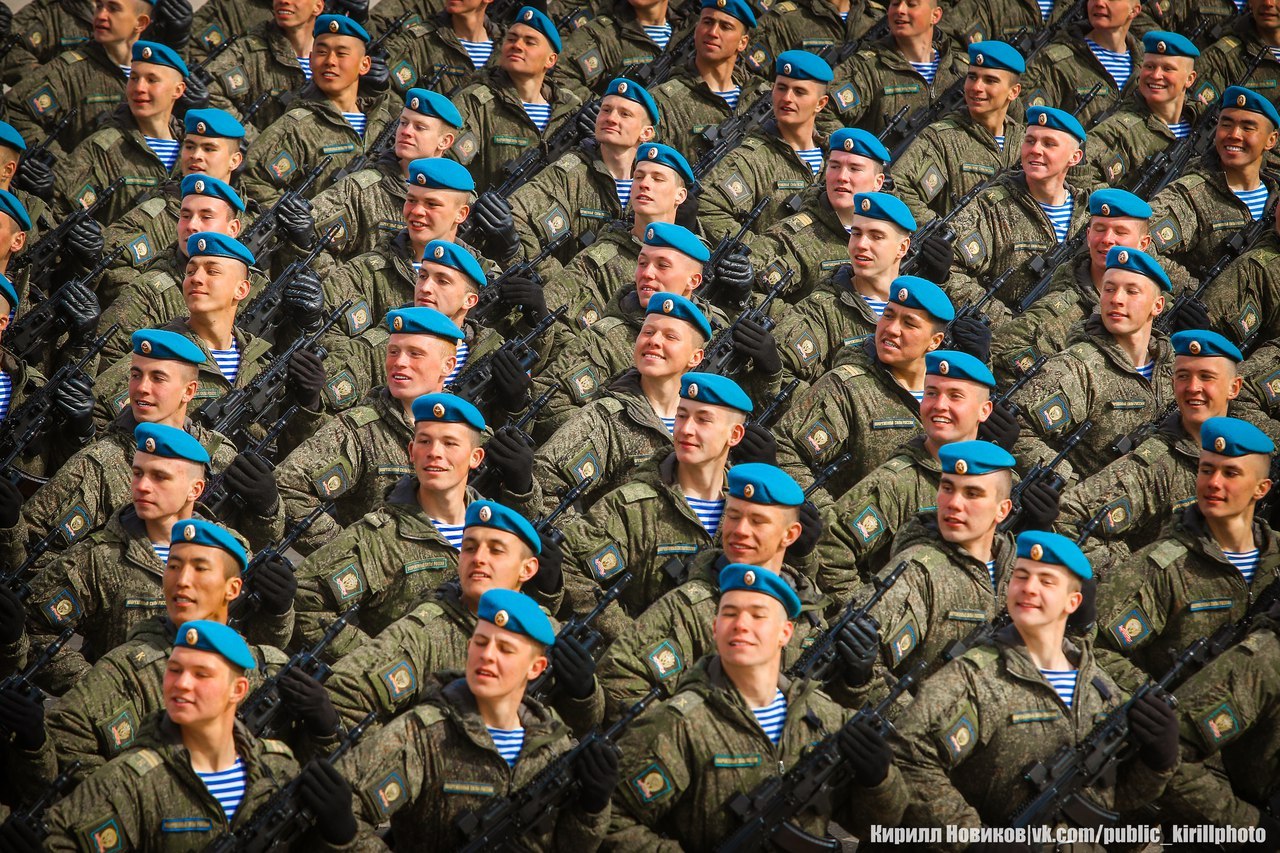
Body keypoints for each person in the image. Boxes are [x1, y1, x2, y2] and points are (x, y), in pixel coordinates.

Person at [889, 531, 1181, 840]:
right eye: (1021, 576)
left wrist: (1158, 761)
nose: (1028, 589)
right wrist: (972, 838)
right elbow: (907, 754)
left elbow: (1111, 797)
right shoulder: (972, 676)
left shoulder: (1100, 690)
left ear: (1074, 601)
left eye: (1046, 581)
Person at [607, 563, 906, 848]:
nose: (741, 626)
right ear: (715, 628)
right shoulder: (677, 723)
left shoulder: (824, 718)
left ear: (785, 633)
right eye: (730, 614)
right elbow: (612, 821)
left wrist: (879, 781)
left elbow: (882, 828)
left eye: (758, 615)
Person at [38, 618, 366, 851]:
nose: (183, 685)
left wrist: (341, 838)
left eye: (202, 675)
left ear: (238, 689)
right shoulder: (127, 782)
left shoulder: (278, 770)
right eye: (175, 671)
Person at [338, 587, 618, 850]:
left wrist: (592, 809)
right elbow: (347, 811)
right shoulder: (421, 733)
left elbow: (566, 845)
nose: (488, 656)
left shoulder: (553, 748)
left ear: (536, 668)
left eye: (506, 649)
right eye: (481, 643)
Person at [24, 423, 289, 693]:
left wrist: (278, 611)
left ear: (195, 490)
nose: (143, 487)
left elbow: (263, 643)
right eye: (138, 474)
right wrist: (99, 691)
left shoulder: (229, 551)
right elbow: (32, 630)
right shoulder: (99, 557)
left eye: (160, 477)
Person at [290, 398, 543, 656]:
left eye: (449, 443)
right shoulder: (377, 538)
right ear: (411, 451)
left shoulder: (502, 533)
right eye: (425, 441)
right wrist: (382, 661)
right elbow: (305, 602)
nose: (434, 452)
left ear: (476, 457)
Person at [595, 463, 835, 720]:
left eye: (757, 521)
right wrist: (689, 741)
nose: (740, 530)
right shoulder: (688, 605)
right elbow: (618, 677)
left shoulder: (808, 612)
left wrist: (854, 683)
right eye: (733, 516)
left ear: (790, 534)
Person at [557, 372, 750, 641]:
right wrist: (629, 636)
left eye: (703, 419)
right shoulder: (632, 505)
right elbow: (567, 564)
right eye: (682, 415)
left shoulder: (744, 516)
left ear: (735, 434)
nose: (686, 429)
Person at [273, 306, 465, 553]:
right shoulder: (358, 430)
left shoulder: (469, 432)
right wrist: (354, 558)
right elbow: (287, 488)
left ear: (447, 366)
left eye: (415, 354)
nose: (399, 363)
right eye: (393, 351)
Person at [1099, 417, 1279, 676]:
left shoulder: (1274, 561)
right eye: (1207, 470)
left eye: (1230, 473)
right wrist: (1144, 699)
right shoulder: (1161, 566)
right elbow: (1092, 646)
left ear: (1261, 488)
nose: (1214, 483)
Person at [773, 275, 954, 501]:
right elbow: (785, 450)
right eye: (888, 316)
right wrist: (825, 515)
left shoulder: (950, 401)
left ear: (935, 341)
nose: (892, 329)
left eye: (909, 323)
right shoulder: (847, 386)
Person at [530, 293, 710, 514]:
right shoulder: (607, 417)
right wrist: (584, 545)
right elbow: (543, 480)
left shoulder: (706, 427)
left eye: (670, 337)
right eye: (648, 332)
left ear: (696, 357)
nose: (654, 341)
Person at [1010, 245, 1175, 480]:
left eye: (1131, 291)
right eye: (1109, 289)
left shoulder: (1175, 371)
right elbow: (1018, 430)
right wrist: (1069, 485)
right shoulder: (1078, 366)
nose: (1117, 299)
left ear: (1157, 306)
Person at [947, 105, 1091, 315]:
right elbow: (951, 269)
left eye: (1049, 144)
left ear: (1075, 157)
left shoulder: (1088, 215)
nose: (1035, 149)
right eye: (1030, 141)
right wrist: (1000, 321)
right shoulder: (991, 205)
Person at [241, 14, 397, 207]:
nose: (330, 61)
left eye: (341, 53)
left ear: (364, 64)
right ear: (311, 58)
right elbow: (251, 181)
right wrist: (301, 223)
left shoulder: (383, 122)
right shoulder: (297, 127)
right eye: (322, 52)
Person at [698, 50, 833, 243]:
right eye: (781, 88)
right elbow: (708, 208)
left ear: (820, 103)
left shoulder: (836, 160)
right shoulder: (752, 158)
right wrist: (760, 256)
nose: (787, 98)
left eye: (799, 91)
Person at [1148, 86, 1279, 280]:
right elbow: (1142, 245)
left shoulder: (1274, 199)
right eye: (1226, 124)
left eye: (1247, 127)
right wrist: (1192, 292)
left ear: (1271, 140)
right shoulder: (1191, 194)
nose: (1234, 134)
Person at [54, 40, 188, 224]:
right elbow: (57, 209)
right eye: (133, 78)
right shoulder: (101, 148)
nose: (139, 88)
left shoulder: (194, 150)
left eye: (151, 80)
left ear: (178, 90)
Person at [891, 40, 1025, 225]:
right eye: (972, 77)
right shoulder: (941, 138)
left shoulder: (1026, 141)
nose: (976, 87)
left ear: (1013, 92)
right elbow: (898, 186)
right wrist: (940, 233)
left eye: (990, 80)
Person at [452, 7, 582, 193]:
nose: (517, 45)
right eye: (511, 39)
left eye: (530, 42)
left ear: (551, 60)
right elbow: (447, 164)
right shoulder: (475, 101)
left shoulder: (570, 110)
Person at [1079, 31, 1199, 190]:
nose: (1156, 75)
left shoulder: (1202, 120)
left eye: (1168, 69)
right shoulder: (1120, 130)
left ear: (1190, 79)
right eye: (1149, 66)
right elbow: (1077, 173)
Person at [651, 0, 767, 162]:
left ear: (742, 42)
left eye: (725, 27)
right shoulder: (661, 100)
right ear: (696, 29)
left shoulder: (760, 97)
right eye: (707, 22)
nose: (713, 32)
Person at [831, 0, 969, 135]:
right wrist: (853, 151)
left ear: (935, 15)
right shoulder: (866, 67)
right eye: (895, 4)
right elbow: (823, 112)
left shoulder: (964, 70)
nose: (900, 10)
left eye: (911, 4)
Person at [1020, 0, 1143, 126]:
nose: (1099, 3)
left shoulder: (1150, 65)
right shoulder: (1055, 61)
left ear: (1134, 10)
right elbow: (1030, 123)